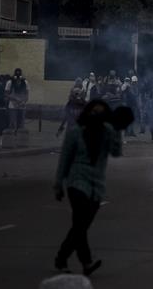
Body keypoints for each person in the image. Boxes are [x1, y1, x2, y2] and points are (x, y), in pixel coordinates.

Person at [53, 100, 123, 275]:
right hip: (77, 182)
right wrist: (58, 184)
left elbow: (116, 152)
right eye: (93, 112)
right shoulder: (75, 132)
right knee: (80, 223)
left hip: (96, 186)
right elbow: (65, 160)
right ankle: (84, 262)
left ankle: (63, 258)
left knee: (81, 225)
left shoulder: (107, 132)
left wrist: (118, 130)